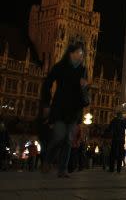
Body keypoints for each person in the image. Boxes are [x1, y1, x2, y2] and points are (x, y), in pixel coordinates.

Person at [40, 43, 89, 178]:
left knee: (68, 140)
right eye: (79, 53)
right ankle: (48, 160)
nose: (81, 56)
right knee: (59, 136)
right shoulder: (60, 67)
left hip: (74, 110)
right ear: (70, 53)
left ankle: (63, 169)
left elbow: (85, 91)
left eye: (82, 53)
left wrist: (84, 87)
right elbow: (47, 83)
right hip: (60, 108)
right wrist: (46, 104)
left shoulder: (83, 70)